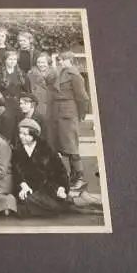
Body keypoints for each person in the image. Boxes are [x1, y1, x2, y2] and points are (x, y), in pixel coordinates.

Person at [12, 118, 101, 217]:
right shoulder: (17, 150)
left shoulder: (47, 149)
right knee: (26, 201)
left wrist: (61, 188)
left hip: (50, 187)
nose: (21, 137)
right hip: (29, 189)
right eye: (20, 133)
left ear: (34, 135)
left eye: (25, 134)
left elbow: (60, 171)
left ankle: (79, 201)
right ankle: (79, 199)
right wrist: (23, 185)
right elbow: (16, 172)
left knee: (44, 204)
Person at [48, 51, 90, 190]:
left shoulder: (75, 75)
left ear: (70, 60)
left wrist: (81, 114)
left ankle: (80, 178)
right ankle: (72, 176)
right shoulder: (60, 72)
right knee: (62, 145)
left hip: (68, 112)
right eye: (60, 60)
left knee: (71, 146)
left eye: (63, 60)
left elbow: (83, 98)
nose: (60, 62)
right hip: (58, 112)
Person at [0, 50, 29, 114]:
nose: (12, 61)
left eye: (14, 59)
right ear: (5, 60)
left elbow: (27, 90)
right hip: (3, 104)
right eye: (10, 59)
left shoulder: (21, 73)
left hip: (17, 104)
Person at [27, 52, 58, 117]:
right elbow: (29, 91)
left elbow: (58, 90)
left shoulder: (55, 74)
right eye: (38, 62)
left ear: (48, 62)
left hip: (52, 104)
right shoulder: (31, 74)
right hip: (37, 105)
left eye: (43, 62)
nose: (41, 65)